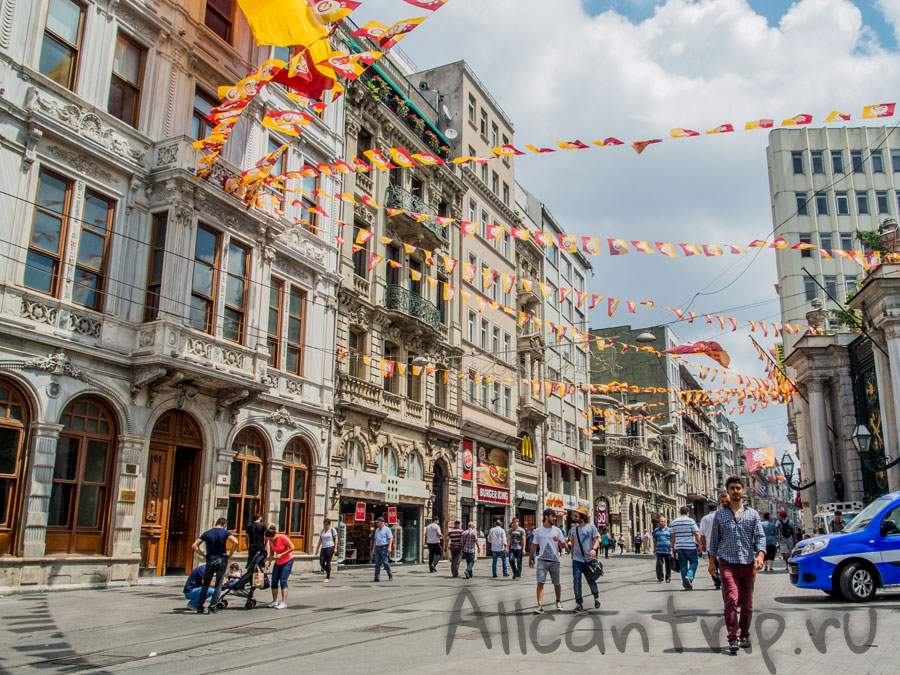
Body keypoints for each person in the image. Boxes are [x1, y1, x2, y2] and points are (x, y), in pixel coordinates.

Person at [708, 475, 766, 654]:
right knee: (731, 600)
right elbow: (714, 540)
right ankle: (733, 637)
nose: (735, 491)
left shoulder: (752, 514)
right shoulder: (720, 515)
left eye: (738, 488)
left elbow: (760, 537)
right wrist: (711, 563)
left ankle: (745, 634)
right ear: (727, 491)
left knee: (747, 603)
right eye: (731, 488)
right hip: (727, 563)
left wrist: (761, 555)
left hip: (748, 563)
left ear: (743, 491)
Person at [190, 517, 238, 615]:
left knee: (206, 584)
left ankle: (200, 607)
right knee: (218, 584)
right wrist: (230, 554)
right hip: (221, 560)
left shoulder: (207, 533)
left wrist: (203, 554)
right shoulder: (225, 533)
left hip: (210, 560)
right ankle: (212, 607)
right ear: (224, 525)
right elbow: (235, 542)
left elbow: (194, 545)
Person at [529, 508, 567, 614]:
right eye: (552, 516)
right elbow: (534, 545)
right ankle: (540, 605)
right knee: (540, 583)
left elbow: (563, 546)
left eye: (555, 516)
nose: (554, 518)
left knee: (557, 583)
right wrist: (530, 558)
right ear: (546, 517)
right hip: (542, 560)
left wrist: (559, 540)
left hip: (555, 560)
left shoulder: (557, 531)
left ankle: (558, 601)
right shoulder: (538, 531)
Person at [568, 506, 601, 611]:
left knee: (591, 580)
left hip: (588, 559)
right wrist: (572, 553)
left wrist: (593, 549)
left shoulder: (591, 527)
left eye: (577, 515)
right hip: (577, 560)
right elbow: (573, 543)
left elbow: (596, 540)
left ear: (583, 516)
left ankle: (596, 597)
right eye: (575, 515)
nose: (575, 517)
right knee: (576, 581)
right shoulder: (573, 529)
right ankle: (579, 603)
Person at [700, 493, 728, 590]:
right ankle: (724, 579)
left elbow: (702, 534)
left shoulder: (704, 519)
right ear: (717, 507)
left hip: (710, 546)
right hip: (722, 546)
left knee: (713, 565)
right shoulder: (721, 515)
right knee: (723, 564)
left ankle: (716, 582)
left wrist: (702, 545)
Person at [670, 506, 701, 590]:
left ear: (680, 512)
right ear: (688, 513)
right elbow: (696, 534)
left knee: (683, 565)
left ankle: (686, 584)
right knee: (694, 562)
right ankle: (689, 577)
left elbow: (672, 535)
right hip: (690, 546)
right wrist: (700, 545)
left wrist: (672, 546)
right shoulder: (691, 521)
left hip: (679, 547)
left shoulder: (674, 522)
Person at [266, 525, 295, 609]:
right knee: (274, 580)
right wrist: (269, 562)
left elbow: (293, 547)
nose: (270, 541)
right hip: (278, 562)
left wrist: (282, 554)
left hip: (287, 561)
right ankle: (274, 601)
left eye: (270, 539)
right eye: (268, 540)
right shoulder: (271, 542)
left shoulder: (283, 538)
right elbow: (272, 552)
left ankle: (284, 602)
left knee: (283, 580)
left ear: (274, 536)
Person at [314, 518, 338, 583]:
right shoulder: (322, 531)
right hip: (323, 547)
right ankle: (328, 570)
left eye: (326, 525)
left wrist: (335, 548)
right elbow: (320, 540)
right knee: (321, 562)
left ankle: (328, 577)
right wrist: (317, 549)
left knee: (328, 561)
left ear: (329, 525)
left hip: (330, 547)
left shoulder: (332, 530)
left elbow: (336, 539)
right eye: (324, 525)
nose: (325, 526)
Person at [371, 517, 394, 582]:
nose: (377, 524)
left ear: (382, 522)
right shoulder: (377, 530)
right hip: (378, 547)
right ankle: (376, 577)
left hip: (384, 547)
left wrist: (389, 547)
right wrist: (374, 548)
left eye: (378, 522)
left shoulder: (387, 529)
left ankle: (390, 575)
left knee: (385, 562)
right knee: (377, 563)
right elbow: (375, 539)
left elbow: (390, 538)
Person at [652, 516, 673, 583]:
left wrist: (673, 546)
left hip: (668, 550)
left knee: (668, 564)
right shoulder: (656, 530)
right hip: (659, 550)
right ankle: (660, 577)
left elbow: (672, 539)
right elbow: (654, 540)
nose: (660, 523)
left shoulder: (669, 530)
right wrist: (654, 548)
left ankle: (668, 577)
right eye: (659, 521)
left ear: (665, 522)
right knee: (659, 563)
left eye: (662, 521)